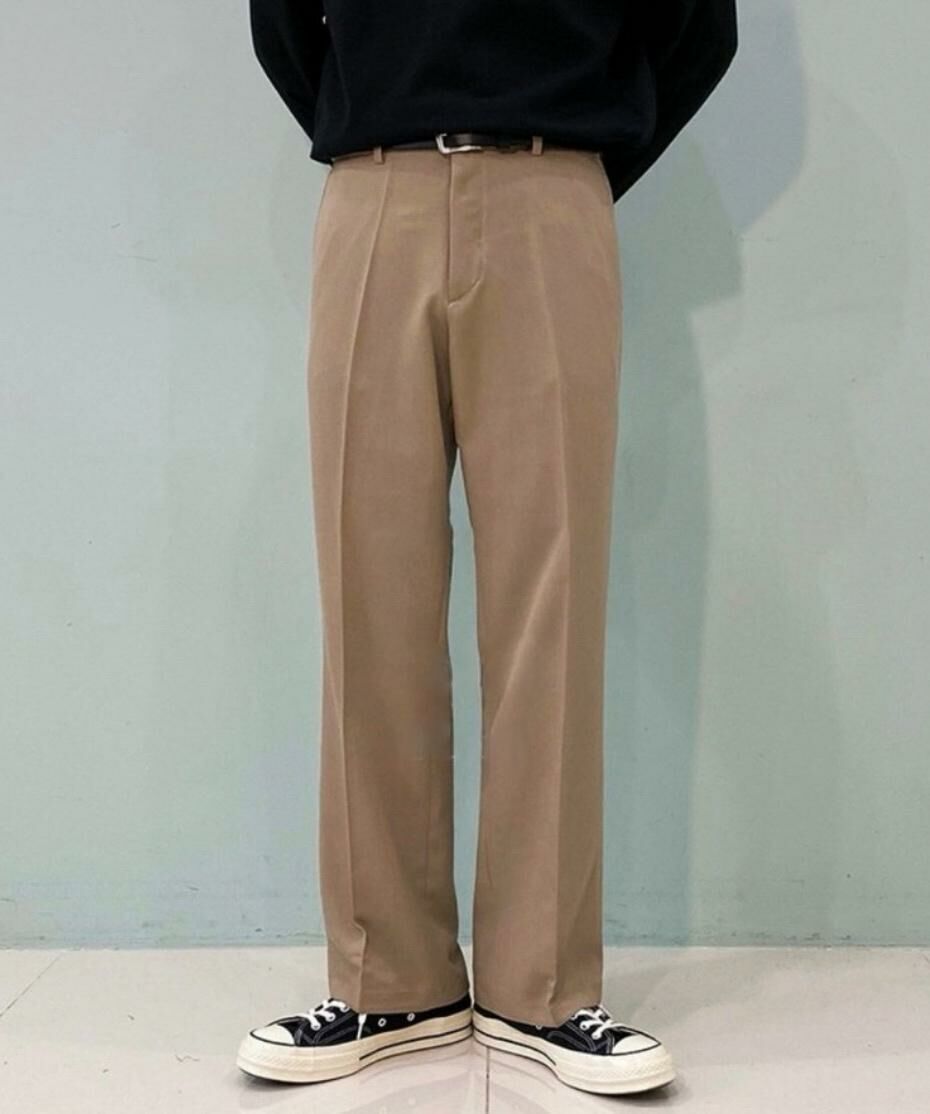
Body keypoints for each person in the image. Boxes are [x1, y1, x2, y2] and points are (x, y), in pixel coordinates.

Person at [237, 0, 737, 1096]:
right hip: (372, 191)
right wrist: (382, 121)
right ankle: (390, 979)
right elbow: (284, 25)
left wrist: (580, 153)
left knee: (550, 603)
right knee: (368, 596)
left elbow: (699, 25)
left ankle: (541, 986)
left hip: (552, 190)